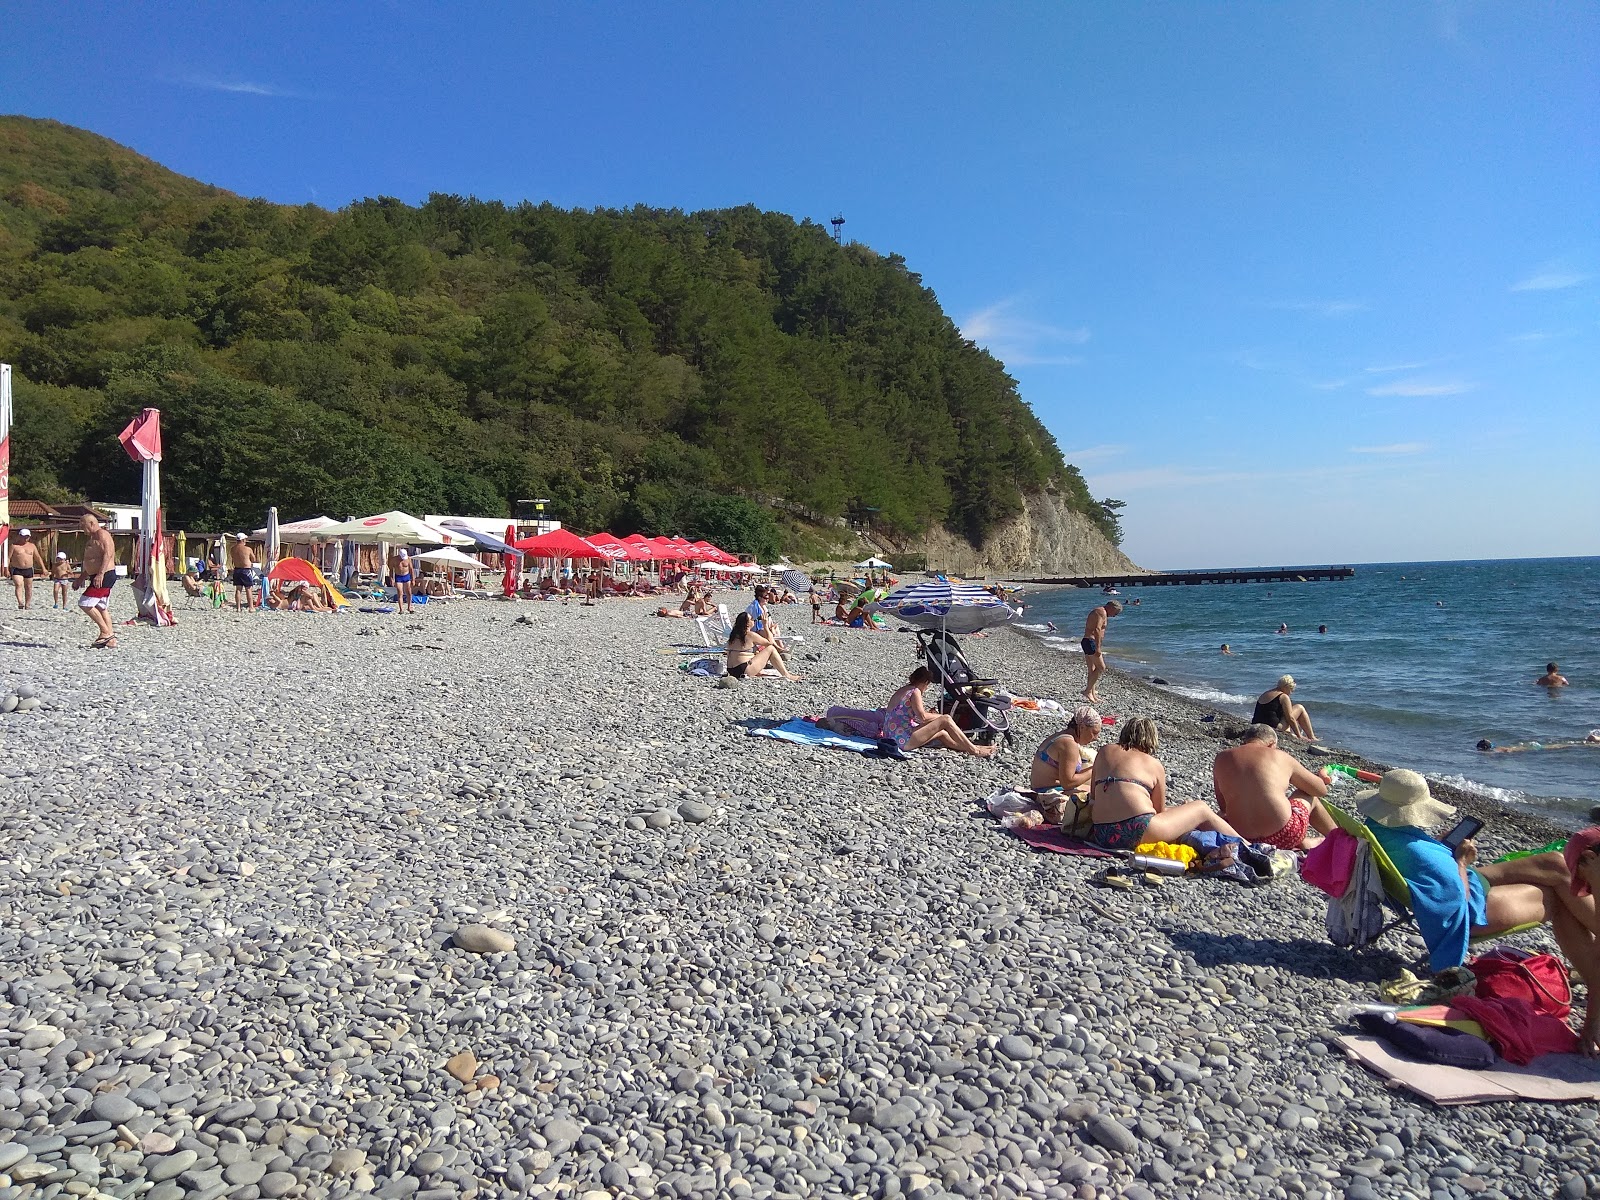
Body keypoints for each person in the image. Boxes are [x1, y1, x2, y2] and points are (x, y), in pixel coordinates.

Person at [1360, 773, 1599, 1036]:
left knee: (1555, 862)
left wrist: (1444, 851)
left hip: (1460, 881)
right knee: (1558, 896)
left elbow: (1435, 875)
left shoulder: (1381, 829)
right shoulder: (1421, 854)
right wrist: (1461, 862)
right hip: (1474, 906)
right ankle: (1595, 982)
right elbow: (1455, 904)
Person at [1086, 716, 1243, 849]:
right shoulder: (1153, 764)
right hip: (1137, 832)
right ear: (1150, 739)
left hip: (1101, 833)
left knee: (1187, 814)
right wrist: (1182, 810)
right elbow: (1158, 812)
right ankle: (1247, 845)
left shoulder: (1104, 751)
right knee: (1201, 809)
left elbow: (1094, 795)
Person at [1213, 725, 1334, 850]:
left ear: (1245, 741)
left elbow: (1223, 807)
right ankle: (1337, 837)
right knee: (1308, 794)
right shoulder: (1279, 756)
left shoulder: (1221, 758)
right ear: (1271, 744)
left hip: (1242, 838)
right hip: (1285, 835)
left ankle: (1305, 843)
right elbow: (1320, 790)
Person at [880, 666, 996, 758]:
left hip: (891, 735)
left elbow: (912, 716)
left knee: (942, 734)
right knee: (946, 719)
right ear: (925, 682)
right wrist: (940, 717)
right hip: (901, 739)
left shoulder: (903, 690)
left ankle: (974, 747)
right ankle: (975, 750)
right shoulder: (915, 691)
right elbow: (923, 717)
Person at [1030, 705, 1102, 794]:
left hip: (1041, 789)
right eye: (1094, 733)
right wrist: (1096, 768)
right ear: (1082, 727)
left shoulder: (1062, 736)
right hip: (1049, 793)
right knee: (1101, 794)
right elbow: (1068, 783)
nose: (1096, 738)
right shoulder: (1068, 744)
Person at [72, 513, 118, 649]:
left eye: (83, 525)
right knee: (101, 606)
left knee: (85, 603)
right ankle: (111, 640)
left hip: (104, 575)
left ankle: (105, 632)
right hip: (96, 575)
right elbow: (91, 560)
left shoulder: (102, 534)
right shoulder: (92, 538)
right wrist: (81, 578)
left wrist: (100, 573)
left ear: (91, 524)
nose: (82, 528)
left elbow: (108, 553)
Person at [724, 611, 801, 681]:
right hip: (744, 670)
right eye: (751, 619)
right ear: (747, 624)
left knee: (757, 651)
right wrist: (765, 626)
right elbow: (770, 643)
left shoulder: (733, 636)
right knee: (771, 649)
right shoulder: (750, 635)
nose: (753, 620)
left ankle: (756, 669)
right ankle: (787, 675)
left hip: (731, 670)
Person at [1080, 599, 1122, 704]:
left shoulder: (1099, 611)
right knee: (1101, 667)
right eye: (1115, 613)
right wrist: (1098, 647)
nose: (1115, 616)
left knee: (1092, 669)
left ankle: (1092, 694)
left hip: (1087, 641)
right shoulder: (1101, 612)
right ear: (1112, 608)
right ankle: (1088, 691)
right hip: (1090, 642)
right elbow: (1097, 629)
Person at [1252, 674, 1317, 741]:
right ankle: (1312, 737)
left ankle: (1288, 731)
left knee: (1284, 712)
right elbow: (1290, 718)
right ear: (1286, 687)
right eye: (1291, 689)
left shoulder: (1267, 693)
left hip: (1257, 725)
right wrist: (1299, 735)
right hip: (1273, 728)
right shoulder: (1283, 696)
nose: (1291, 693)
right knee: (1300, 707)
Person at [7, 528, 45, 609]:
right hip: (17, 569)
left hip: (28, 569)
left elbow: (37, 557)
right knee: (18, 584)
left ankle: (27, 604)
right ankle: (20, 602)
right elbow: (8, 558)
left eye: (27, 537)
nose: (25, 539)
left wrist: (43, 568)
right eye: (24, 537)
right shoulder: (14, 546)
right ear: (20, 536)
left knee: (28, 586)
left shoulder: (32, 546)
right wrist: (6, 569)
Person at [228, 534, 257, 612]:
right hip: (246, 570)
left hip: (237, 570)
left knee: (238, 589)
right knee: (248, 589)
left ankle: (238, 608)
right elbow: (253, 559)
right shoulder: (248, 549)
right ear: (243, 540)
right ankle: (251, 607)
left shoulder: (232, 549)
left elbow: (233, 558)